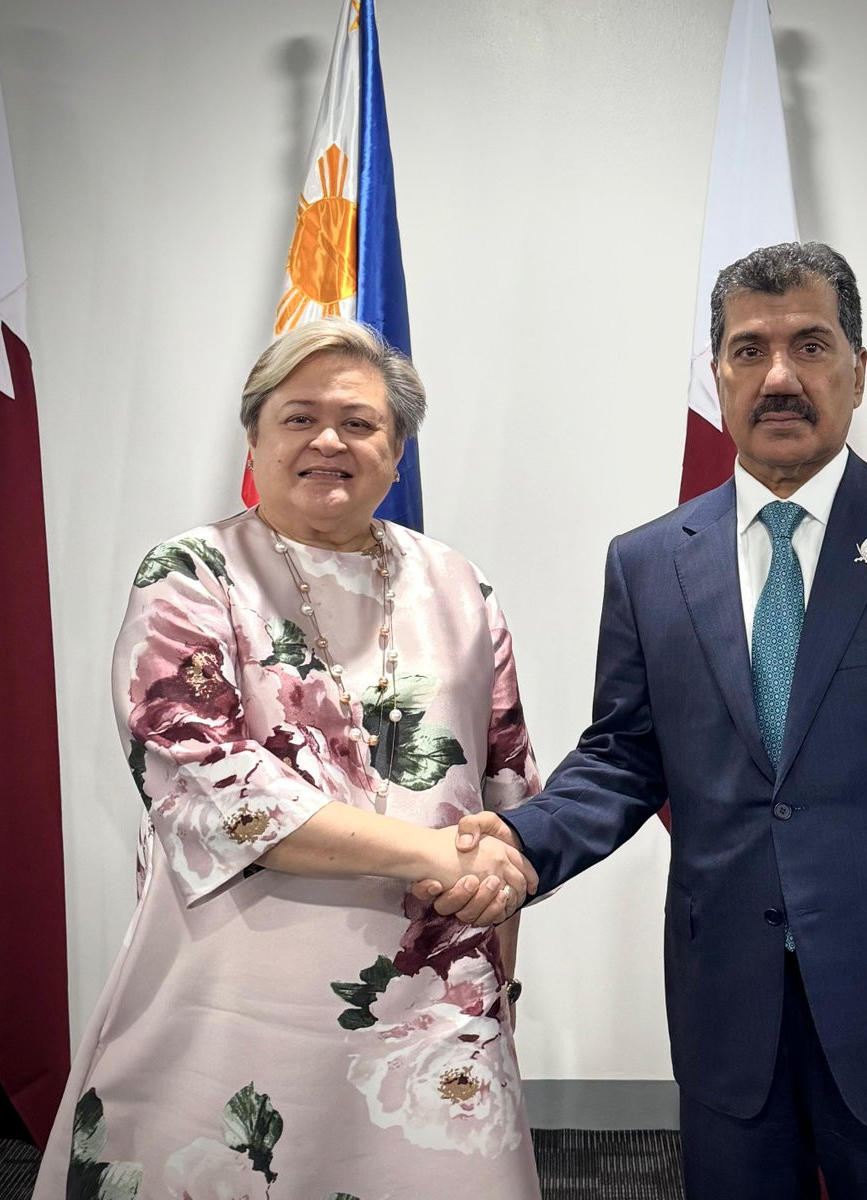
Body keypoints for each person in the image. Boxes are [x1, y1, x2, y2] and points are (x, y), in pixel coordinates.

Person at [422, 243, 867, 1200]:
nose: (779, 376)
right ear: (718, 376)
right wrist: (522, 840)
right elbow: (624, 755)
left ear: (858, 369)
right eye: (748, 350)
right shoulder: (648, 561)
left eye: (810, 345)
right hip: (727, 1010)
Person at [32, 317, 544, 1200]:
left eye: (359, 423)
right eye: (299, 418)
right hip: (235, 992)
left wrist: (500, 982)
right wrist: (433, 854)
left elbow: (505, 802)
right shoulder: (191, 573)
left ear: (397, 453)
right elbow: (214, 789)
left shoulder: (463, 585)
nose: (328, 442)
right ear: (255, 438)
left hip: (434, 1007)